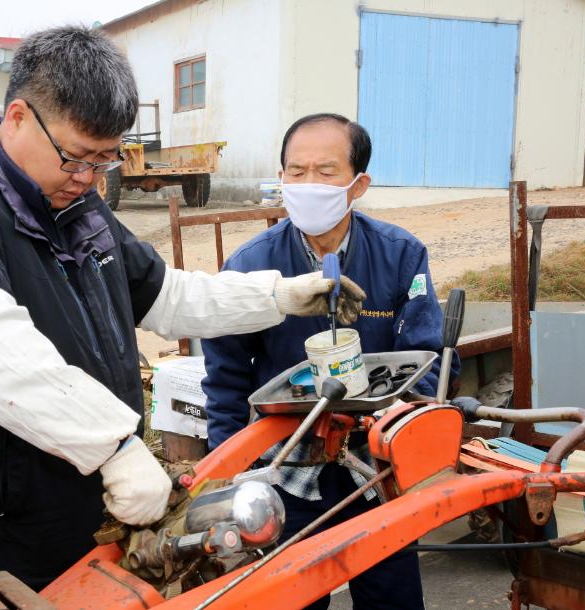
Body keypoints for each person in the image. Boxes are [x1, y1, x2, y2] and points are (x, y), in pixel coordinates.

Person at [0, 27, 364, 590]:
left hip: (98, 502)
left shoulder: (78, 205)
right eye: (76, 158)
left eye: (105, 162)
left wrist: (276, 296)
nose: (88, 178)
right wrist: (112, 444)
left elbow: (167, 294)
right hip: (2, 521)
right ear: (17, 117)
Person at [202, 113, 460, 610]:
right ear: (280, 179)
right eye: (295, 172)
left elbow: (426, 357)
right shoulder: (250, 266)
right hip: (287, 464)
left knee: (392, 592)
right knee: (289, 594)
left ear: (358, 184)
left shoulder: (400, 254)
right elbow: (226, 379)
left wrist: (416, 446)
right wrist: (227, 480)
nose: (307, 184)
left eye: (325, 171)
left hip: (376, 463)